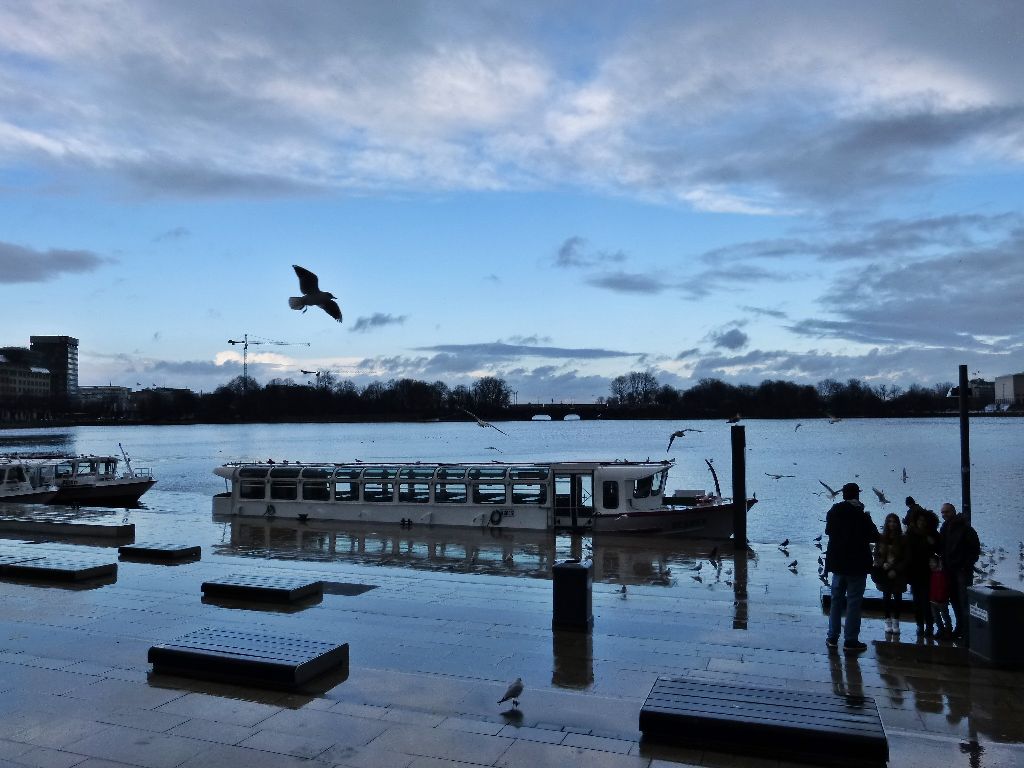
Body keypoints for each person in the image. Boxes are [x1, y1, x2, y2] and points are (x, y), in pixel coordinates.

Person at [825, 482, 881, 653]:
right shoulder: (862, 515)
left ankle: (832, 637)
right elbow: (873, 536)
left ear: (843, 495)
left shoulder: (834, 511)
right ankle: (850, 640)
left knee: (836, 601)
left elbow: (828, 531)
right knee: (854, 602)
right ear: (857, 495)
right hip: (856, 565)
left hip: (838, 564)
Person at [939, 502, 981, 640]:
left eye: (947, 512)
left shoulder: (966, 528)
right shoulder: (944, 527)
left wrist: (966, 565)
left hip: (962, 571)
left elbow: (975, 549)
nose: (944, 515)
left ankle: (967, 633)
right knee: (955, 600)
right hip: (949, 569)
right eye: (943, 513)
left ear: (953, 511)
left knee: (964, 601)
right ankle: (959, 627)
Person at [904, 509, 940, 636]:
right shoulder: (910, 533)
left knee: (927, 600)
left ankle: (929, 625)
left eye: (924, 520)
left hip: (928, 571)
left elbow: (939, 549)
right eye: (920, 520)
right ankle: (920, 624)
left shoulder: (932, 534)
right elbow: (907, 553)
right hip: (914, 571)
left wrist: (933, 544)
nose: (922, 523)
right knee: (916, 601)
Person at [872, 512, 908, 636]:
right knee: (886, 597)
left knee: (898, 597)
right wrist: (881, 564)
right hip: (884, 571)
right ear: (886, 523)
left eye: (894, 521)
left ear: (897, 524)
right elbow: (876, 554)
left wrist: (895, 569)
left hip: (898, 572)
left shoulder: (903, 539)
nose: (892, 524)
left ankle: (896, 622)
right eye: (889, 521)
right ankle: (887, 621)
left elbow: (905, 558)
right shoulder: (881, 538)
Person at [929, 556, 953, 640]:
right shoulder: (932, 574)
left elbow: (943, 587)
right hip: (933, 599)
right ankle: (941, 629)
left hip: (941, 600)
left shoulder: (941, 574)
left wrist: (940, 598)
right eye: (930, 563)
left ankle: (948, 631)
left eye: (933, 562)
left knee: (944, 615)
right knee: (936, 616)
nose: (931, 564)